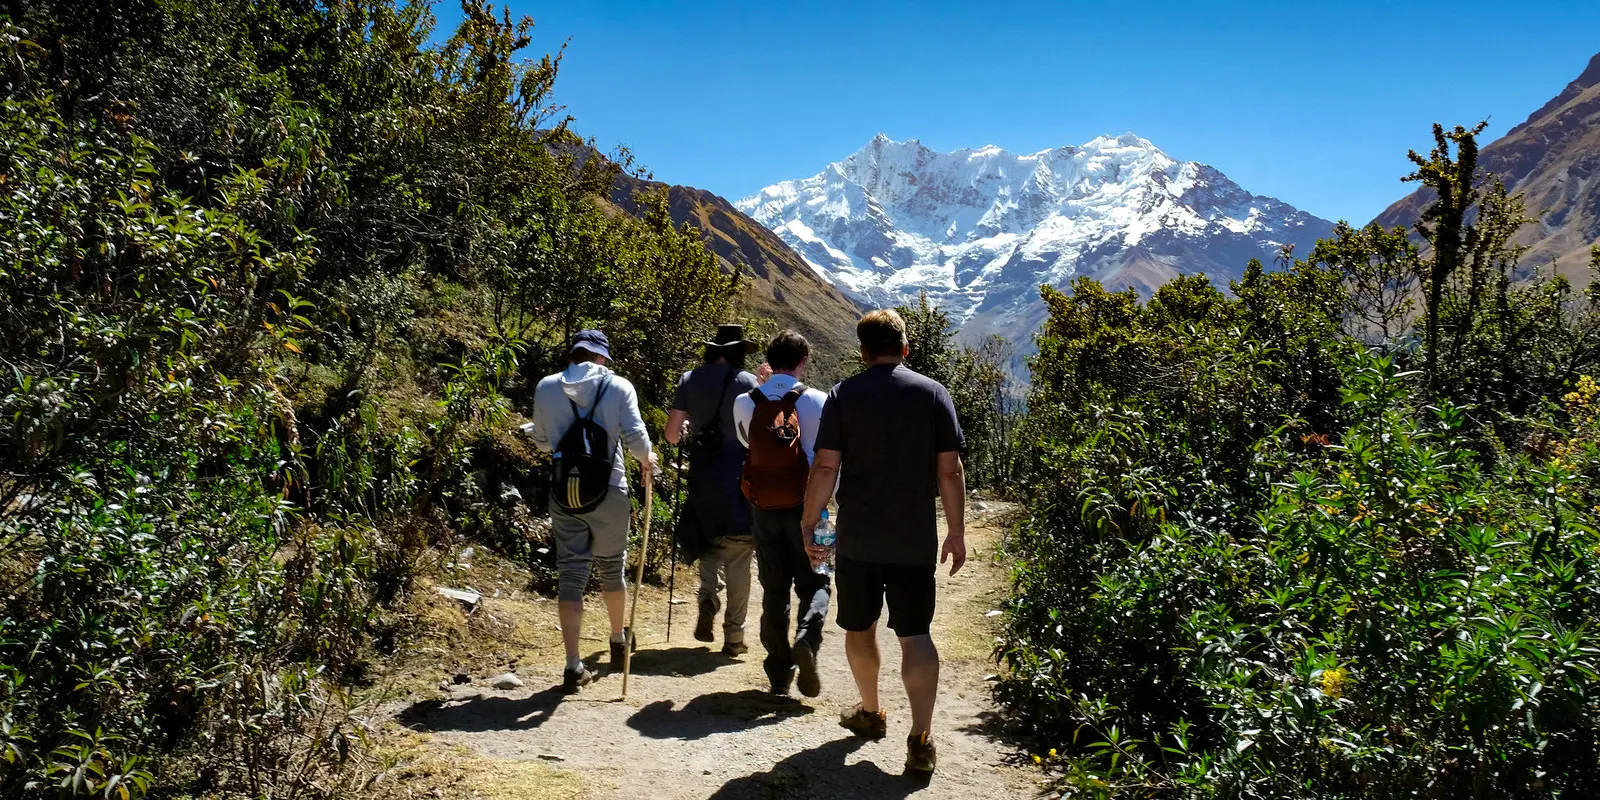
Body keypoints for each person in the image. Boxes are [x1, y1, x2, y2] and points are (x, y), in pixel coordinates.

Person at [801, 309, 967, 775]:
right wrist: (955, 531)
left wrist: (810, 520)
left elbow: (827, 466)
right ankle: (921, 738)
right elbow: (949, 470)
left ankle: (871, 712)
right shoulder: (934, 394)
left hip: (859, 539)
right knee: (915, 634)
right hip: (914, 538)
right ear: (906, 348)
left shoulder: (843, 395)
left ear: (863, 351)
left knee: (859, 627)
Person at [531, 329, 657, 692]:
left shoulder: (546, 387)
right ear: (601, 358)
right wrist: (648, 461)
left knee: (571, 572)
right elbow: (636, 441)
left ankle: (573, 665)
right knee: (611, 565)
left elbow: (541, 442)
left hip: (564, 491)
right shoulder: (619, 387)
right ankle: (618, 641)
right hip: (610, 490)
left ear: (573, 355)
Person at [732, 329, 831, 697]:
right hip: (808, 505)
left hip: (763, 506)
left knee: (774, 588)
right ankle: (807, 637)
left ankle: (778, 671)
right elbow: (826, 457)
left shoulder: (745, 401)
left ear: (769, 362)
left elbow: (748, 442)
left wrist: (763, 389)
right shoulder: (819, 401)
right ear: (803, 361)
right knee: (817, 581)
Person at [665, 324, 759, 656]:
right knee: (738, 553)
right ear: (737, 353)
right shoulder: (749, 384)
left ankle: (707, 598)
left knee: (709, 543)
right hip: (738, 477)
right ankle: (734, 637)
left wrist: (694, 428)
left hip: (703, 474)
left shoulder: (689, 379)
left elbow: (671, 435)